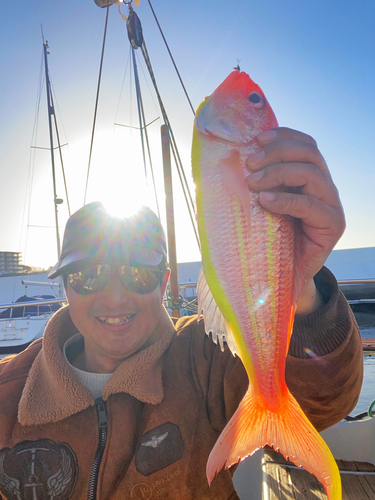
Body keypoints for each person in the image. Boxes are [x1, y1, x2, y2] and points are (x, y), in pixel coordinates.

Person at [0, 128, 363, 500]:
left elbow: (324, 398)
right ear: (65, 286)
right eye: (87, 274)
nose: (114, 297)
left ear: (163, 284)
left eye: (137, 272)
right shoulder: (7, 393)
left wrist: (297, 282)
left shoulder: (205, 359)